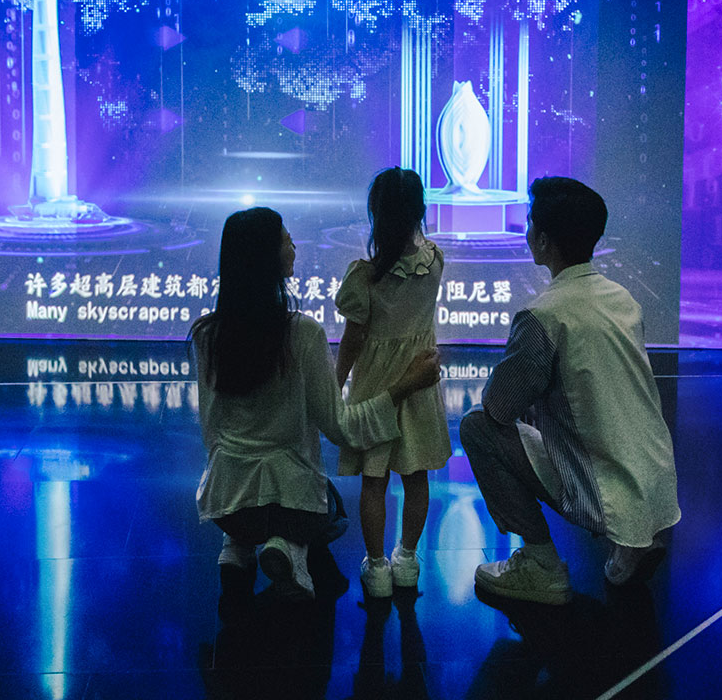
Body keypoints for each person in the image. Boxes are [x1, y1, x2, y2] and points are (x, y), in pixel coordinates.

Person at [193, 207, 442, 599]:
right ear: (267, 258)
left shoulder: (206, 335)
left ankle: (237, 545)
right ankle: (289, 547)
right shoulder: (303, 333)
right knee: (334, 512)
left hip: (227, 505)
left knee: (249, 512)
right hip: (292, 504)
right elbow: (341, 428)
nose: (294, 246)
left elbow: (210, 430)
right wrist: (405, 385)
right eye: (286, 240)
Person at [462, 176, 680, 605]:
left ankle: (540, 563)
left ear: (543, 240)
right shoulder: (622, 298)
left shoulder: (544, 314)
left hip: (600, 490)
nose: (527, 231)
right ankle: (632, 545)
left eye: (529, 223)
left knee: (476, 427)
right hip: (657, 488)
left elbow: (498, 406)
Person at [334, 167, 450, 598]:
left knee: (374, 479)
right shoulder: (434, 261)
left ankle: (378, 567)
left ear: (377, 214)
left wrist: (336, 384)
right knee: (416, 476)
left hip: (377, 388)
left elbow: (353, 340)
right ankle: (407, 558)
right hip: (420, 384)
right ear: (419, 210)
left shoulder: (363, 276)